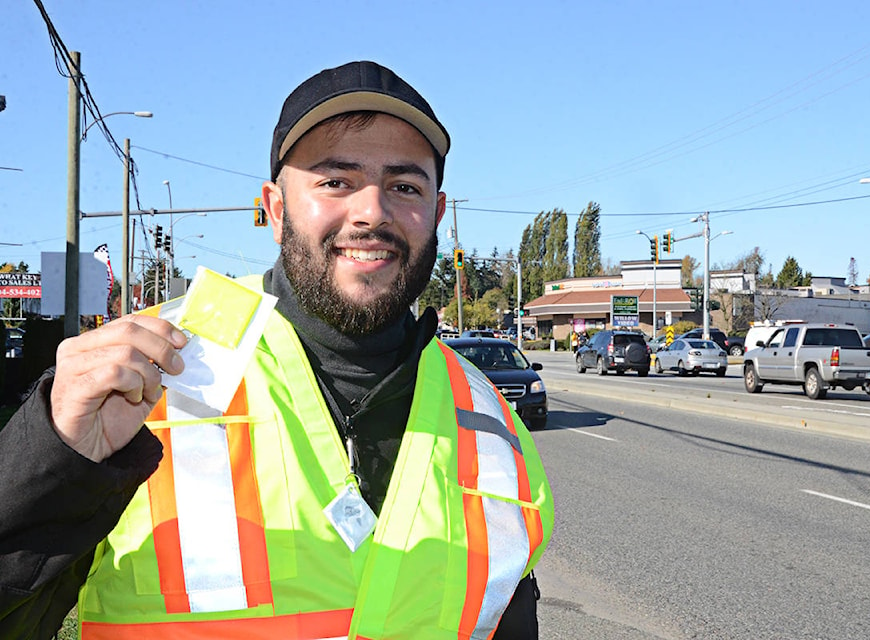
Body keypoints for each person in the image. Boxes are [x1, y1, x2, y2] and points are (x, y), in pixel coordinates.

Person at [0, 60, 553, 639]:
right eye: (335, 181)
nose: (372, 212)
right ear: (276, 208)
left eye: (405, 186)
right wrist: (53, 459)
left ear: (437, 214)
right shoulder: (146, 370)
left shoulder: (492, 422)